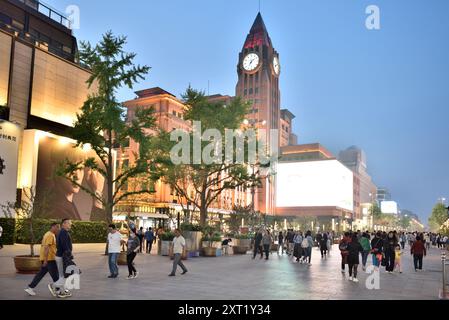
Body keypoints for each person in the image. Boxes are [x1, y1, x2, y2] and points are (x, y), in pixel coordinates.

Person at [25, 223, 60, 296]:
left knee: (41, 274)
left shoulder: (47, 234)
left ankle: (30, 288)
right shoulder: (50, 235)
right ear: (52, 227)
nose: (58, 229)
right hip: (49, 259)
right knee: (55, 275)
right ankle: (58, 291)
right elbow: (46, 247)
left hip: (47, 259)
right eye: (57, 227)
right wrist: (45, 260)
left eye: (59, 227)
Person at [48, 218, 74, 299]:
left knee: (62, 275)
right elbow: (64, 245)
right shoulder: (63, 233)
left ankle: (62, 291)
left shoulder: (62, 232)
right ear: (64, 224)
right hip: (62, 256)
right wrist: (68, 255)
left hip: (61, 256)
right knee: (65, 275)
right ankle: (54, 286)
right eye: (69, 223)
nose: (70, 224)